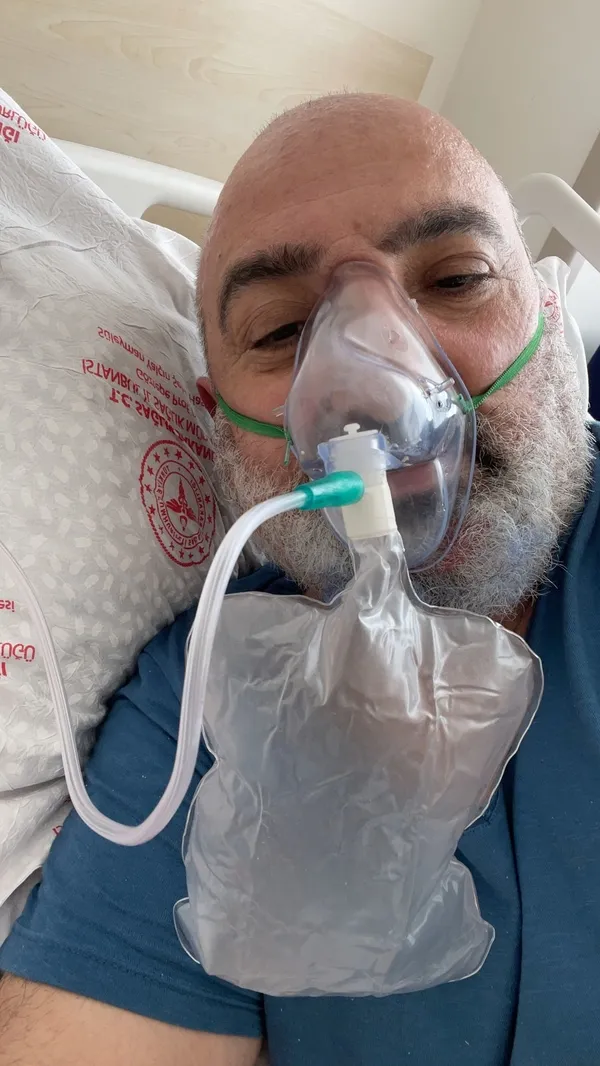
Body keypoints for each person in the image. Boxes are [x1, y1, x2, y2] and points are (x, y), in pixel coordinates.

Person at [0, 92, 598, 1066]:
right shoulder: (207, 709)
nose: (374, 381)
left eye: (455, 278)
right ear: (218, 421)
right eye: (282, 331)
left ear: (547, 317)